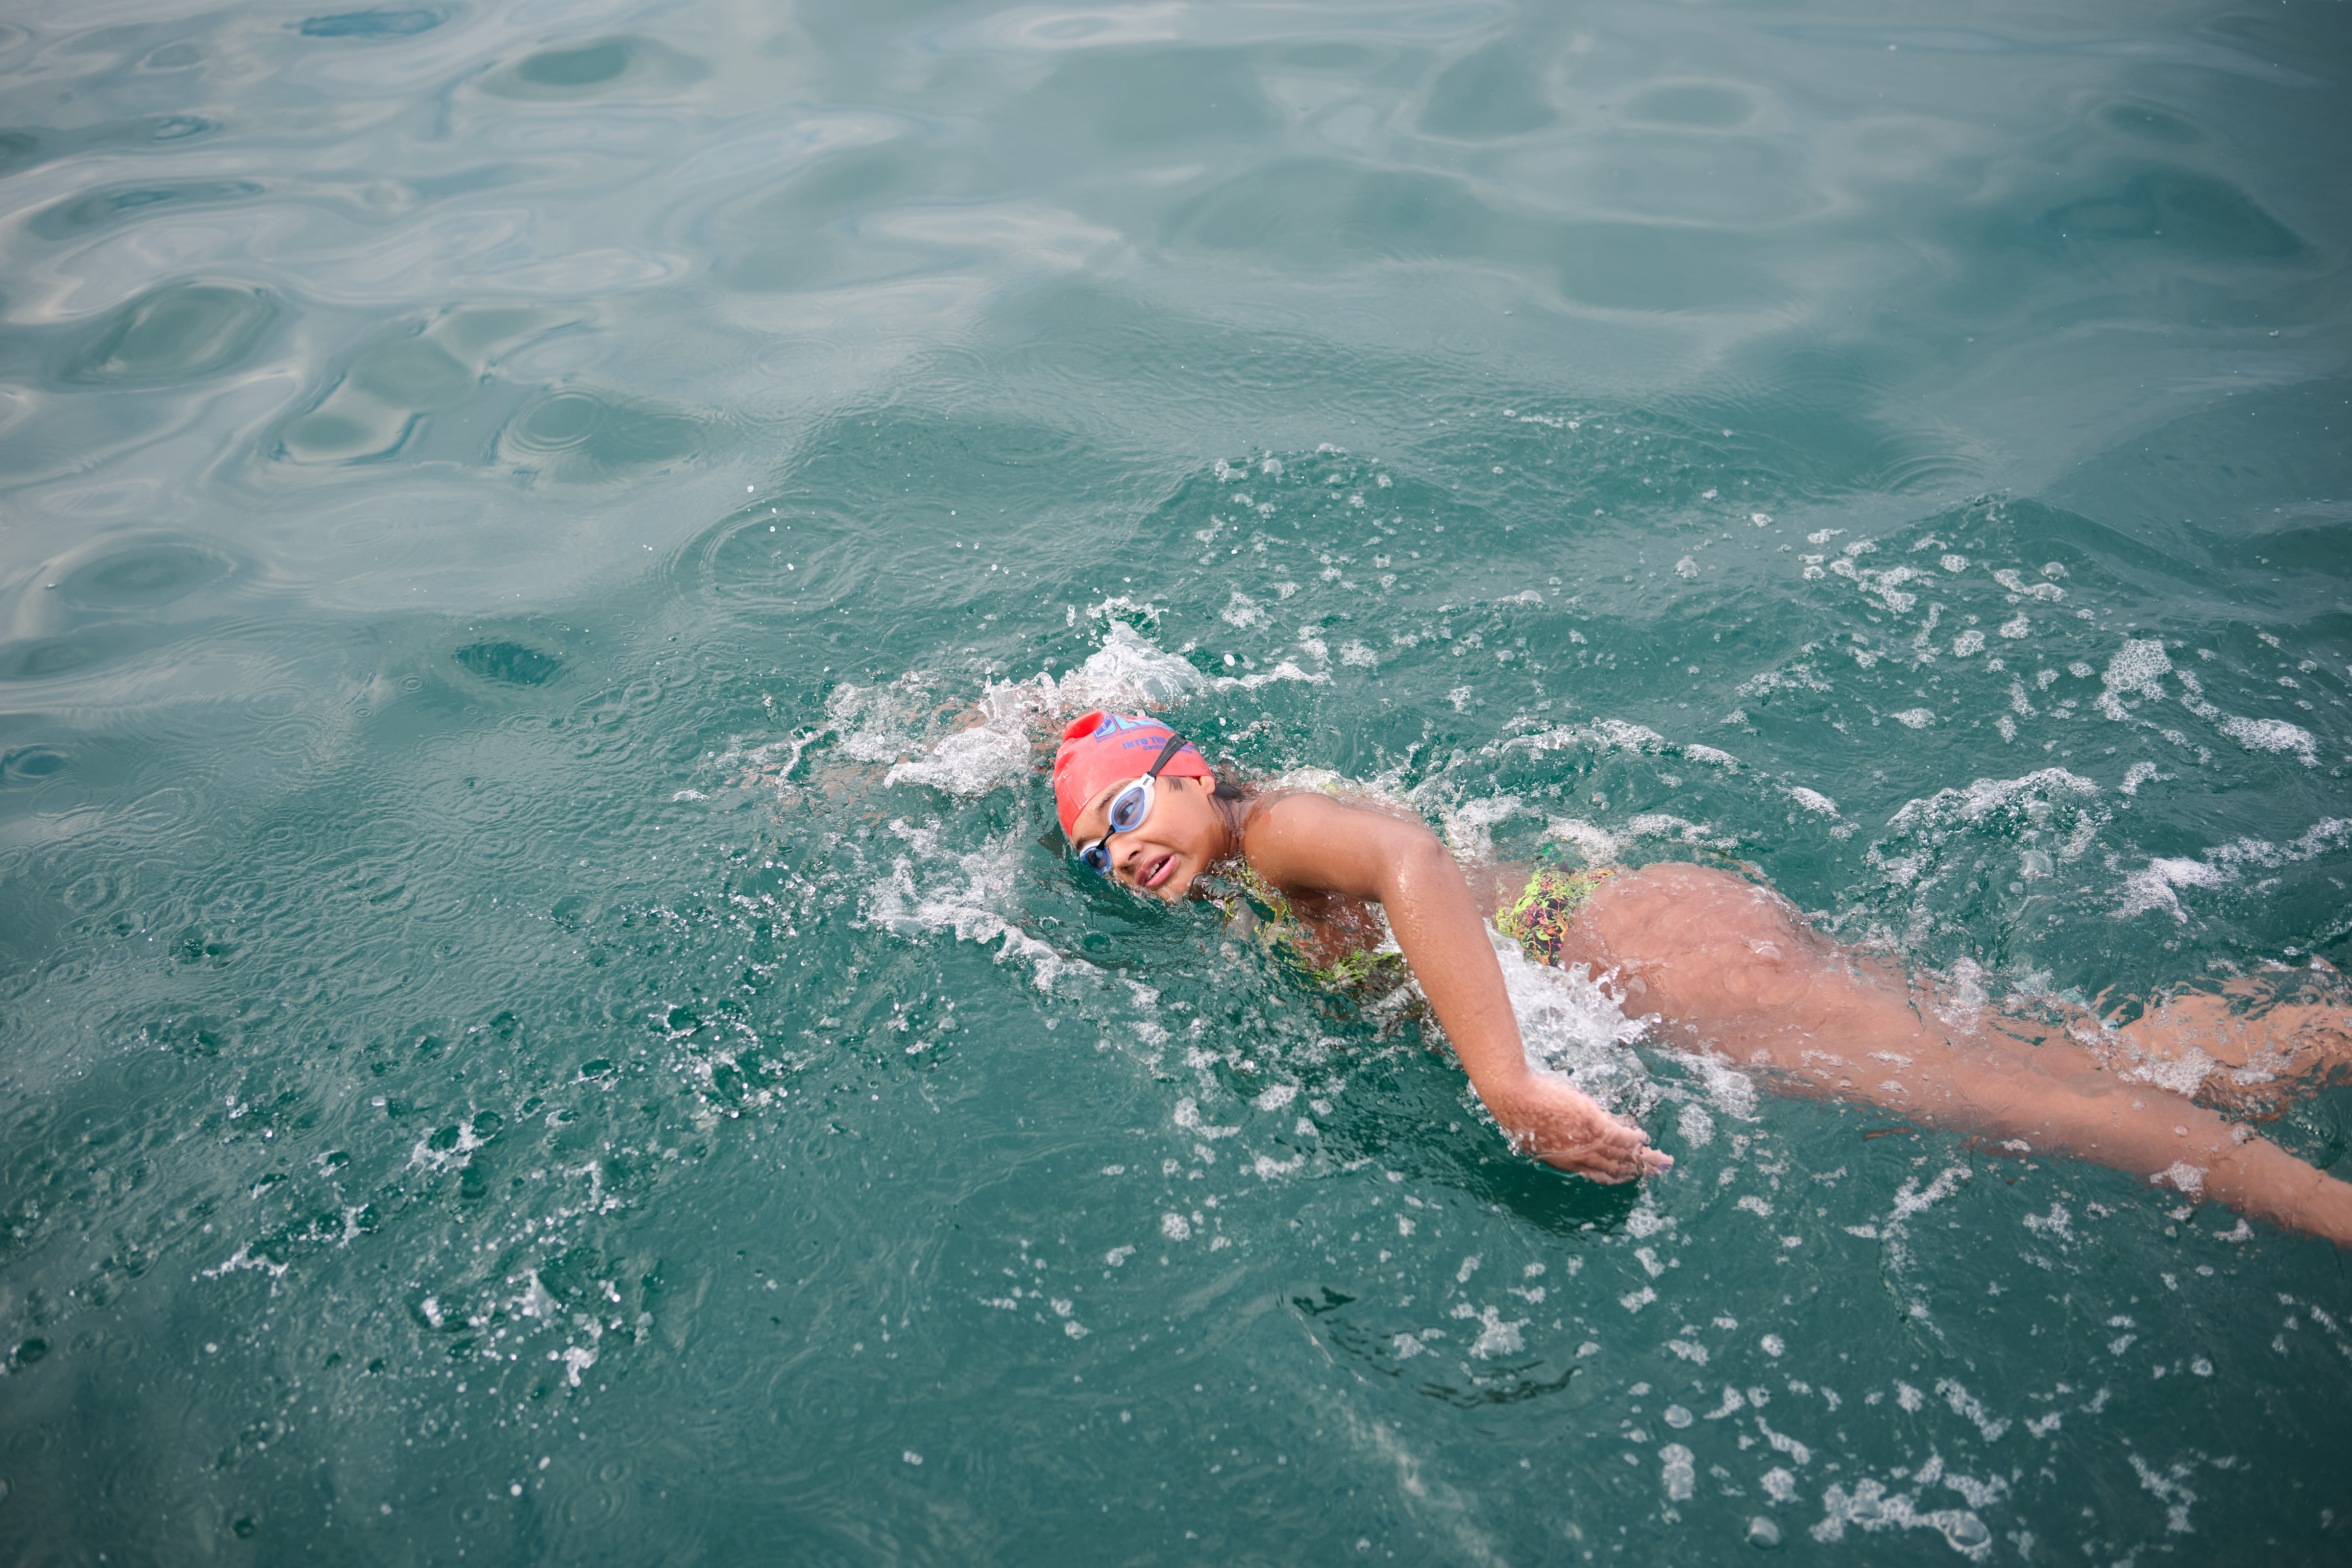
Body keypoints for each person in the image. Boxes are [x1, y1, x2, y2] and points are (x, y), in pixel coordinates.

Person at [1051, 710, 2352, 1248]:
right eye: (1094, 851)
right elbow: (1076, 721)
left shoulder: (1275, 829)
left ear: (1193, 770)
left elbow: (1408, 855)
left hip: (1647, 960)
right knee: (2108, 1069)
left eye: (1124, 812)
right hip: (1653, 932)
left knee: (2035, 1109)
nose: (1121, 854)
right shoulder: (1232, 870)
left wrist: (1503, 1079)